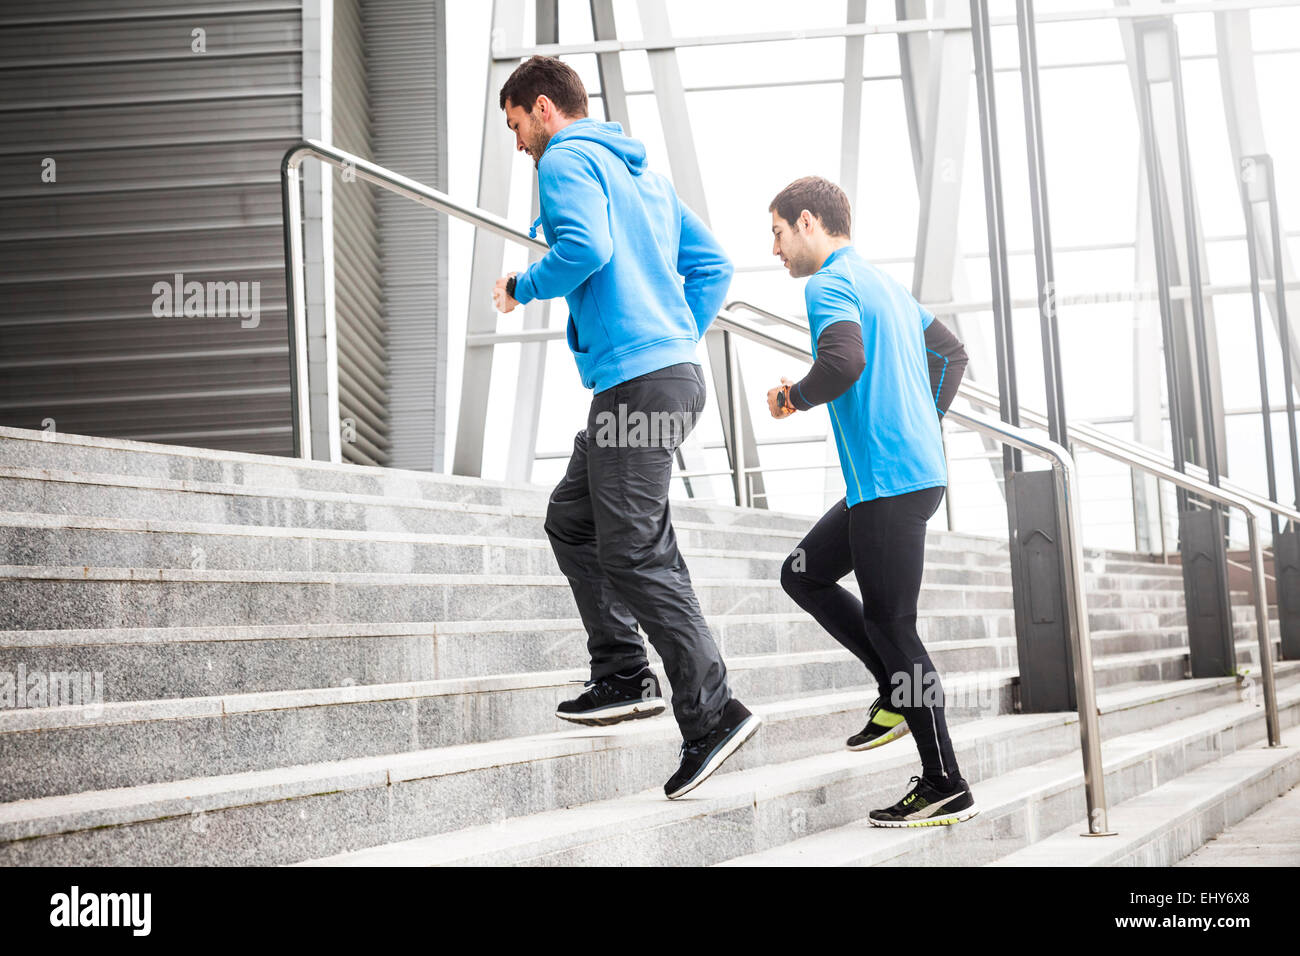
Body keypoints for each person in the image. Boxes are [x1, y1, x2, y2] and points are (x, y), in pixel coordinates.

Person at [491, 55, 760, 800]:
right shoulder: (644, 173)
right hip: (658, 380)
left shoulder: (566, 160)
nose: (518, 144)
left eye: (515, 126)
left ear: (542, 109)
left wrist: (522, 284)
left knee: (635, 549)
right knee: (573, 520)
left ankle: (712, 714)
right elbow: (714, 267)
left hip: (639, 387)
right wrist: (676, 337)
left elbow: (584, 250)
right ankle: (622, 673)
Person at [764, 175, 977, 827]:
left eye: (775, 234)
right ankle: (891, 686)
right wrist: (921, 418)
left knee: (894, 627)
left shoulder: (828, 283)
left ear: (807, 222)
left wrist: (791, 398)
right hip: (899, 477)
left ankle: (944, 781)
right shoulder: (882, 283)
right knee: (803, 572)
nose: (775, 250)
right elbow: (951, 352)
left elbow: (844, 363)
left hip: (891, 481)